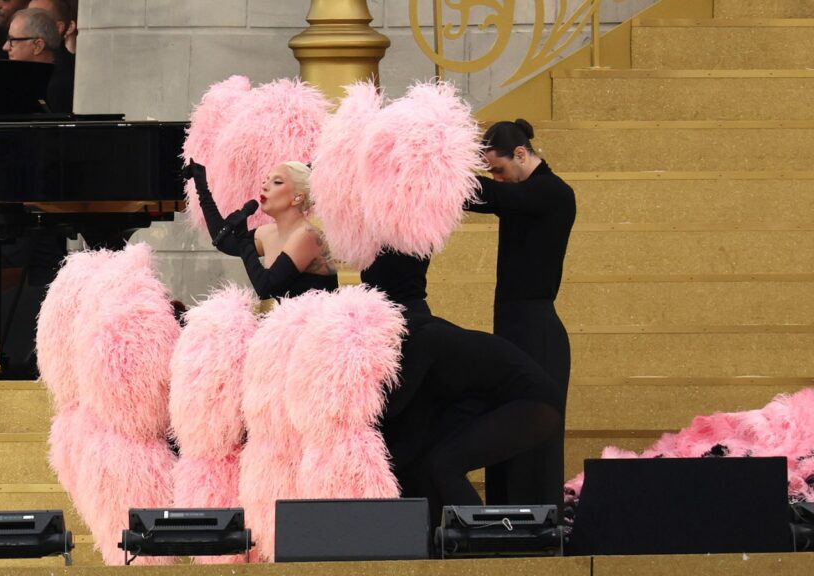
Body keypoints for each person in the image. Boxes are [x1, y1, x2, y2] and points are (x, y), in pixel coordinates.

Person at [361, 250, 561, 519]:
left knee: (444, 464)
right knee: (432, 463)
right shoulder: (418, 336)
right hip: (502, 399)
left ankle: (482, 544)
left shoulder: (423, 340)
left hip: (533, 401)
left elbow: (390, 406)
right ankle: (451, 544)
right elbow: (410, 433)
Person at [466, 119, 576, 511]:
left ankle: (536, 523)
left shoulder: (553, 192)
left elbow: (488, 196)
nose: (497, 177)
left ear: (522, 154)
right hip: (514, 326)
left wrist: (441, 170)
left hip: (537, 329)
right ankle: (505, 518)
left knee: (535, 430)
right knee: (506, 424)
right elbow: (487, 195)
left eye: (499, 168)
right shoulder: (526, 192)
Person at [184, 159, 337, 300]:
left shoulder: (307, 235)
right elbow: (225, 242)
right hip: (283, 324)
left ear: (298, 197)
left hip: (315, 326)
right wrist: (202, 188)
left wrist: (243, 238)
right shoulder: (268, 233)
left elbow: (267, 288)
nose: (264, 185)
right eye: (265, 180)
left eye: (277, 182)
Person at [4, 8, 73, 113]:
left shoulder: (58, 87)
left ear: (38, 46)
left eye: (12, 40)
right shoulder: (28, 78)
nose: (5, 47)